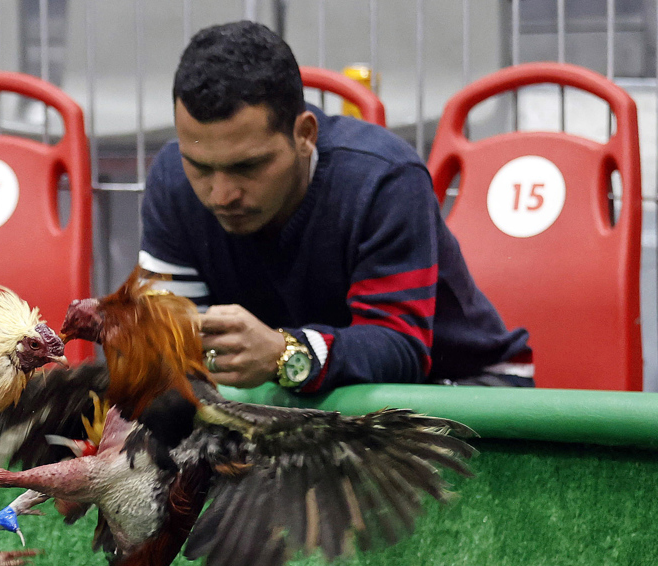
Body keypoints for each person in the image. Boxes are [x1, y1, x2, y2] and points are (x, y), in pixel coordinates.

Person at [138, 20, 534, 392]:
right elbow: (173, 348)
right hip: (311, 398)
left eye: (248, 166)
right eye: (201, 166)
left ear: (305, 135)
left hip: (470, 387)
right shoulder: (172, 181)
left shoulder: (384, 179)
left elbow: (401, 347)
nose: (221, 194)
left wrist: (284, 354)